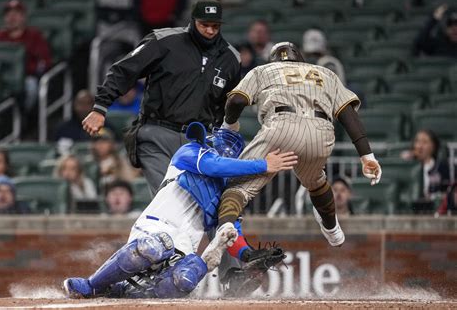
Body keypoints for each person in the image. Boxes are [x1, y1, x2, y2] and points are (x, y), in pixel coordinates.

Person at [204, 42, 383, 268]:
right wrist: (366, 155)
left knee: (237, 188)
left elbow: (237, 100)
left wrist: (229, 126)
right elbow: (347, 113)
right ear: (300, 59)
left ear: (274, 60)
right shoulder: (325, 73)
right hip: (321, 131)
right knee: (316, 181)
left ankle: (226, 226)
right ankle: (332, 229)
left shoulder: (264, 70)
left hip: (280, 127)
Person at [63, 123, 293, 299]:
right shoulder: (190, 152)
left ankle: (123, 293)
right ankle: (93, 285)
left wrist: (249, 257)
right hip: (155, 227)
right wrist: (263, 165)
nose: (213, 148)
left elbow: (231, 232)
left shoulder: (228, 193)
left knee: (185, 280)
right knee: (153, 247)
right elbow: (213, 166)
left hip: (184, 246)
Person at [82, 0, 241, 195]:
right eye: (204, 24)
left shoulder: (230, 58)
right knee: (167, 197)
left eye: (215, 26)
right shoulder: (164, 41)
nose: (210, 30)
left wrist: (223, 132)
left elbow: (227, 104)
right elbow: (124, 70)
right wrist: (100, 107)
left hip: (198, 139)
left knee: (194, 204)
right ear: (192, 21)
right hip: (157, 134)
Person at [0, 0, 52, 111]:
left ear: (23, 17)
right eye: (8, 14)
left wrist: (29, 70)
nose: (12, 18)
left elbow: (44, 61)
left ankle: (24, 118)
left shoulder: (34, 35)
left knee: (31, 86)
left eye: (16, 14)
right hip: (0, 78)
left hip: (26, 77)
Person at [401, 129, 450, 212]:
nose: (420, 146)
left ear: (434, 146)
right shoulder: (408, 166)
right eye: (417, 142)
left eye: (425, 142)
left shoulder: (442, 167)